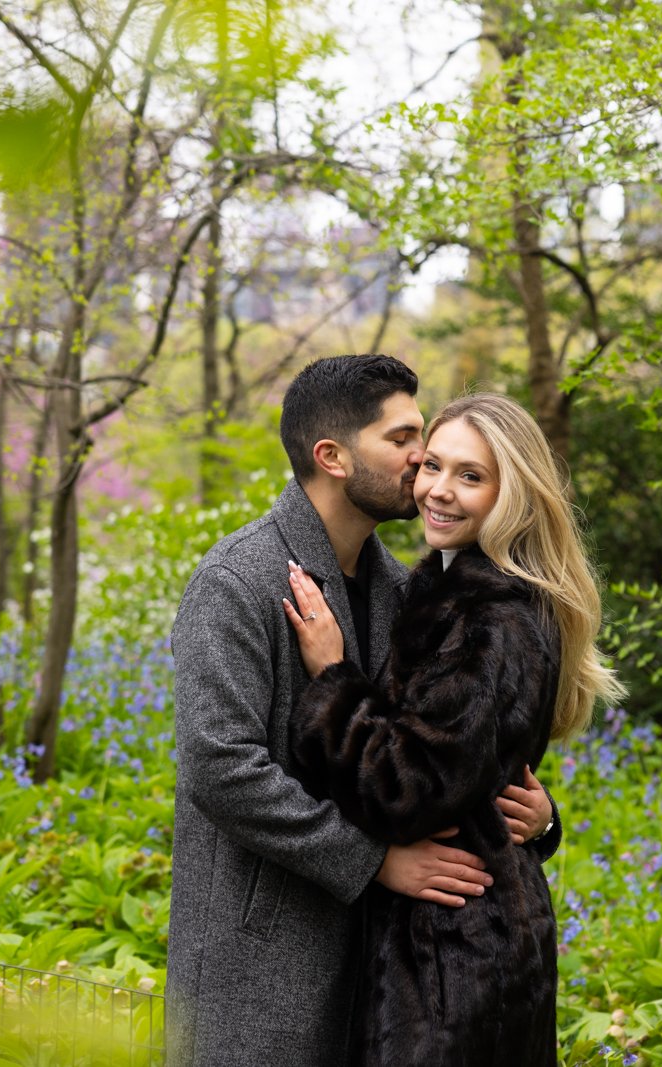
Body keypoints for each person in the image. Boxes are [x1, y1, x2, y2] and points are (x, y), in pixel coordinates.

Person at [167, 357, 561, 1067]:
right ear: (333, 457)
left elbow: (441, 746)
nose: (422, 459)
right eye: (406, 438)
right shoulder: (238, 580)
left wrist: (540, 813)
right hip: (265, 954)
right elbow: (219, 767)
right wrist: (373, 859)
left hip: (382, 964)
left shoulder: (402, 587)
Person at [281, 393, 625, 1067]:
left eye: (471, 476)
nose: (439, 490)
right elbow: (477, 768)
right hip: (463, 930)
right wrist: (544, 822)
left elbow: (409, 787)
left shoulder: (491, 618)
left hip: (455, 951)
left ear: (512, 494)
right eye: (433, 464)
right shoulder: (446, 589)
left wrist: (332, 679)